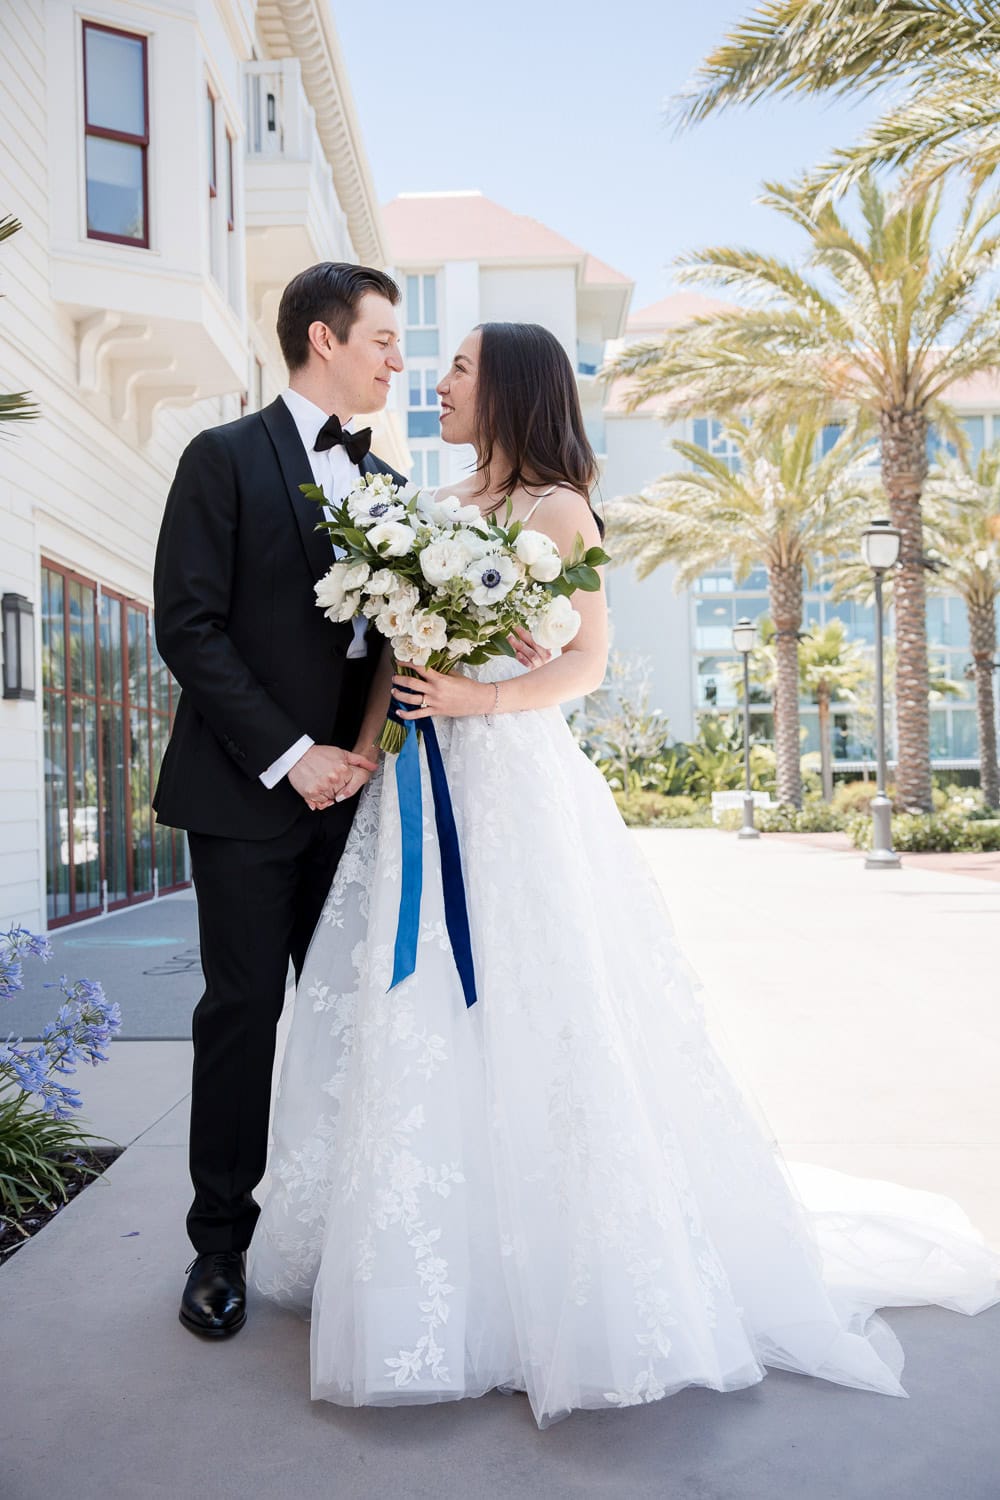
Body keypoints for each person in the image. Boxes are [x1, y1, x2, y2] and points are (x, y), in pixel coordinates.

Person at [250, 322, 1000, 1428]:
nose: (438, 381)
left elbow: (586, 662)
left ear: (508, 388)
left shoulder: (559, 508)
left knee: (537, 1008)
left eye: (457, 367)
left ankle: (558, 1281)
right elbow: (405, 658)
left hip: (511, 787)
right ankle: (423, 1267)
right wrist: (371, 753)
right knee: (409, 1005)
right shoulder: (434, 502)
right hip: (418, 791)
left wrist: (480, 700)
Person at [154, 262, 408, 1338]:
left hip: (359, 801)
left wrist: (360, 752)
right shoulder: (221, 459)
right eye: (384, 339)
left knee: (358, 1024)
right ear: (323, 338)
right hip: (248, 794)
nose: (399, 359)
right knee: (242, 1019)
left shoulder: (392, 491)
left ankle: (347, 1234)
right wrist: (291, 754)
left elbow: (394, 647)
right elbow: (189, 629)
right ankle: (219, 1248)